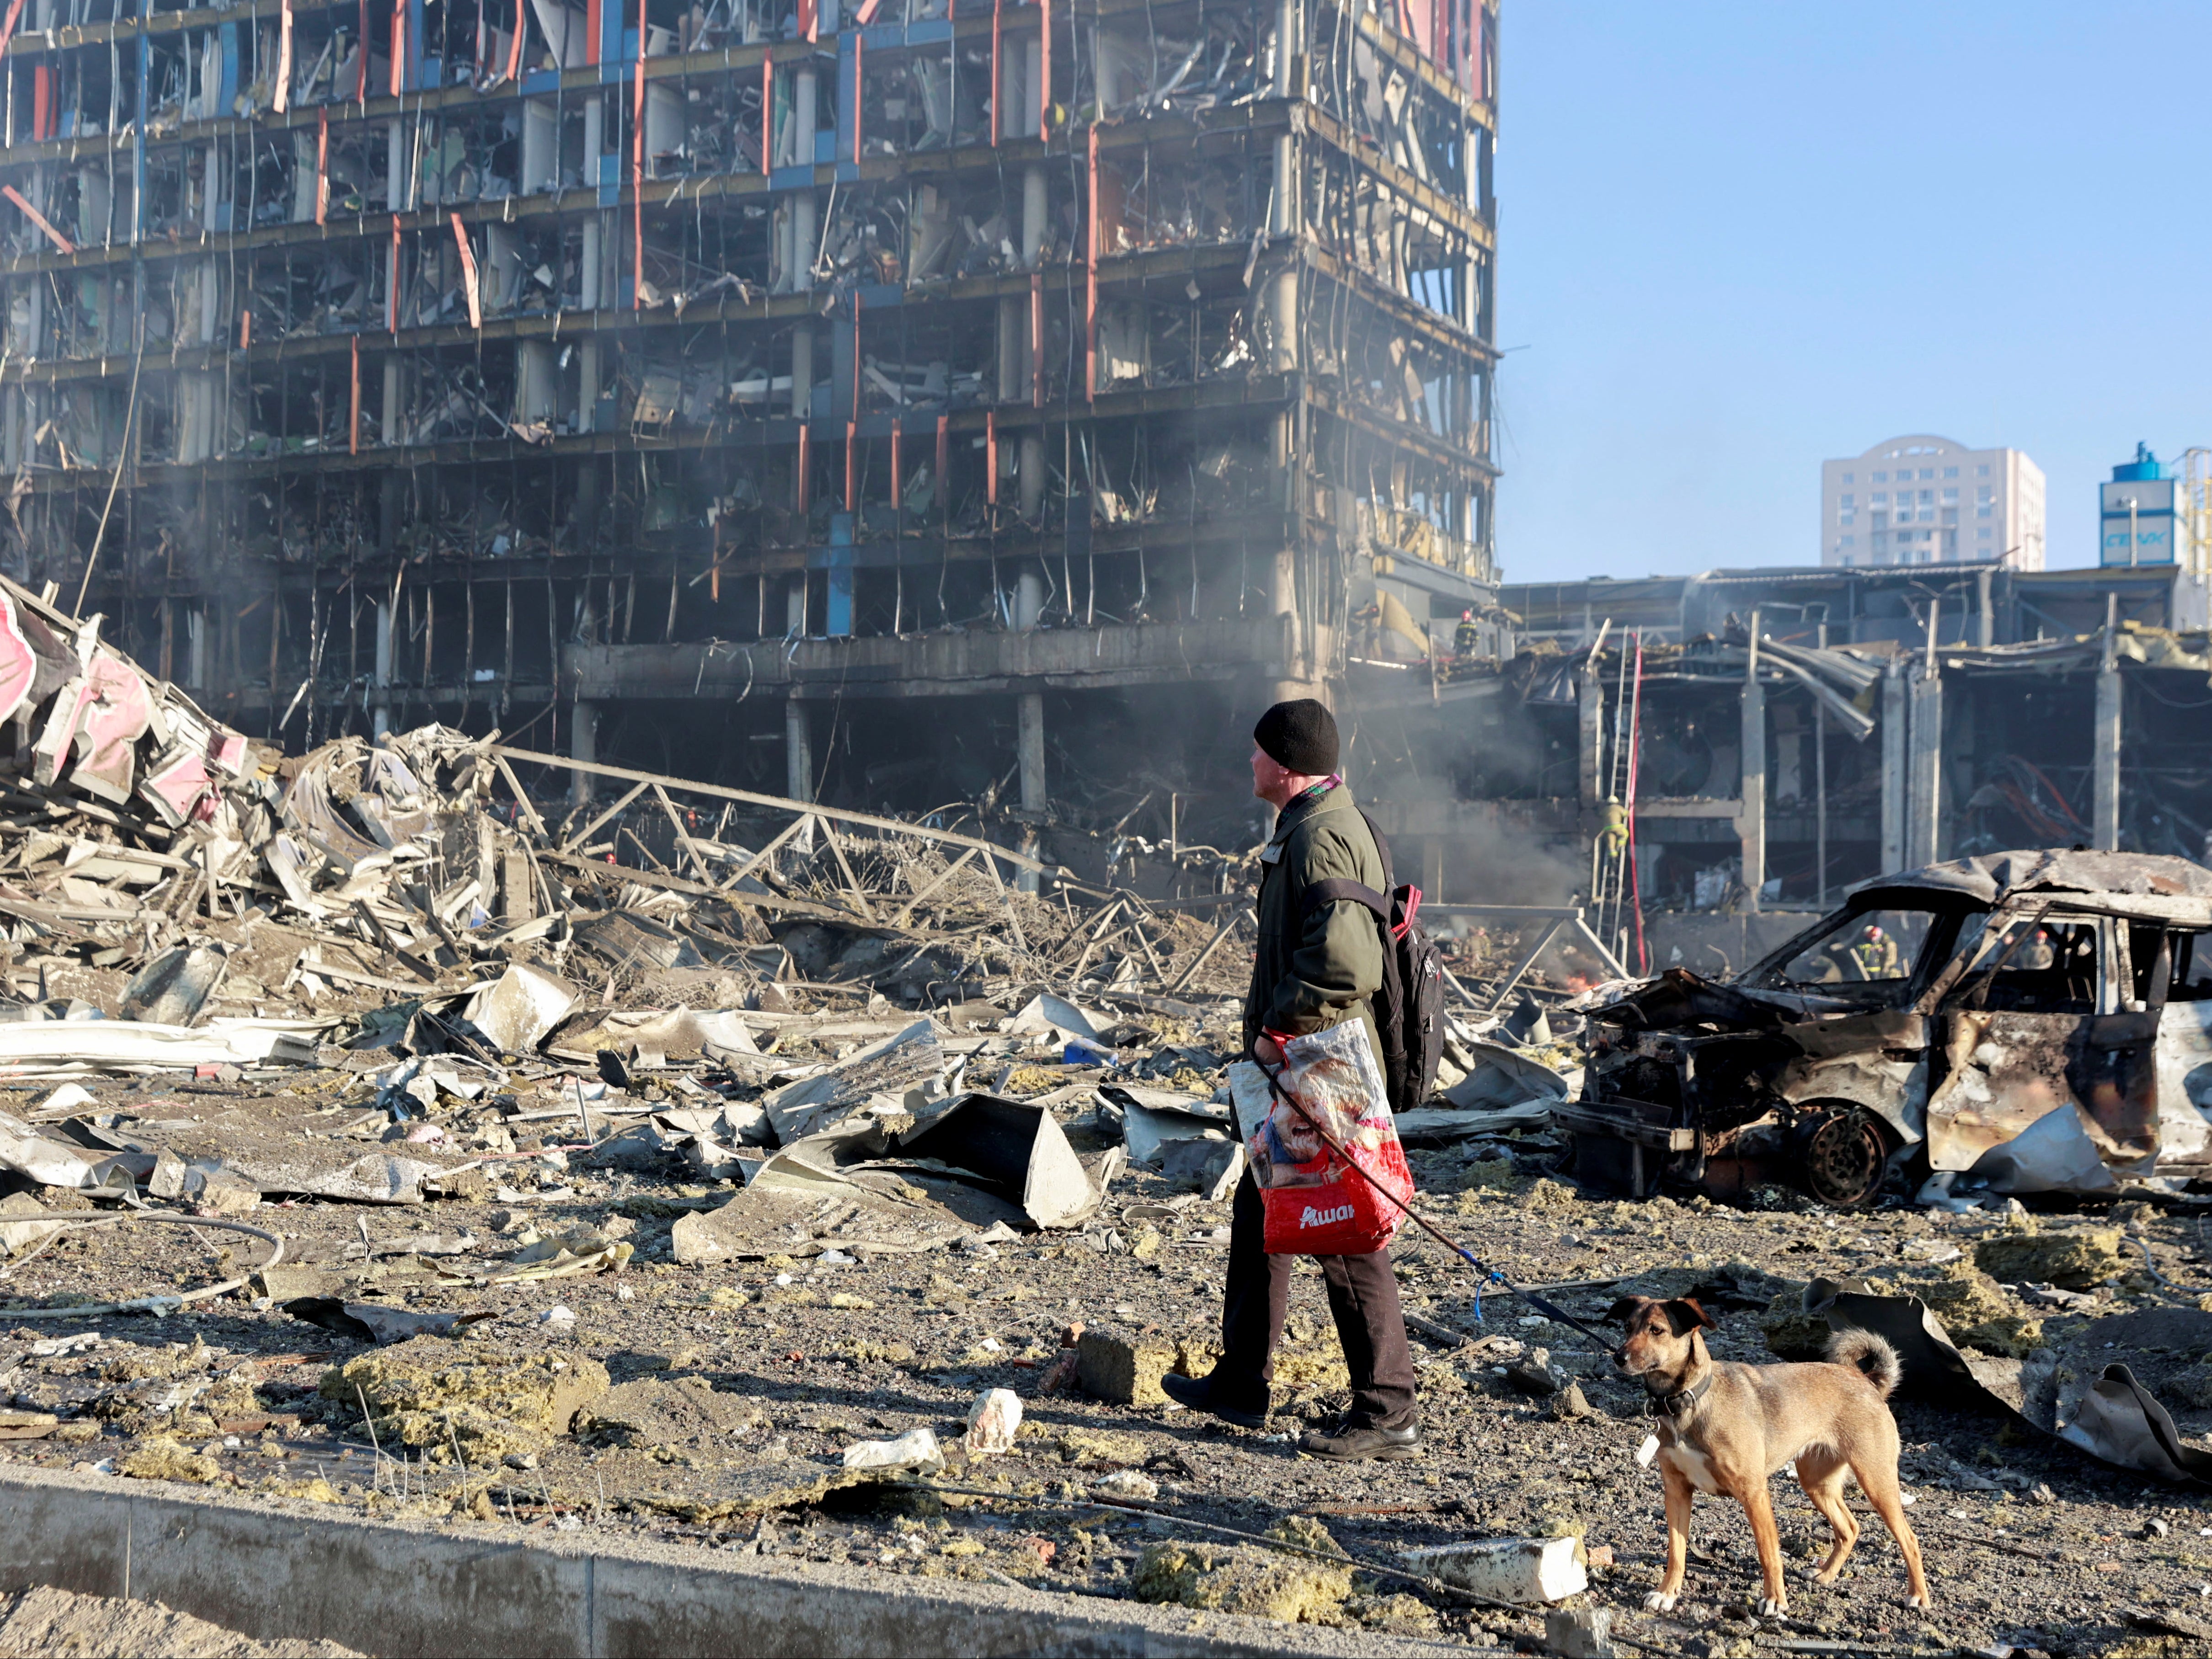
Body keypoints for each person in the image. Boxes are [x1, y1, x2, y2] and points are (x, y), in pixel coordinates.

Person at [1159, 698, 1420, 1461]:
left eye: (1257, 753)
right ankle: (1242, 1383)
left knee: (1343, 1229)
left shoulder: (1325, 835)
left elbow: (1346, 962)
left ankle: (1387, 1411)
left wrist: (1279, 1025)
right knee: (1263, 1212)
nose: (1248, 763)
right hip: (1303, 1066)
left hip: (1317, 1065)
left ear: (1285, 763)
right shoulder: (1316, 825)